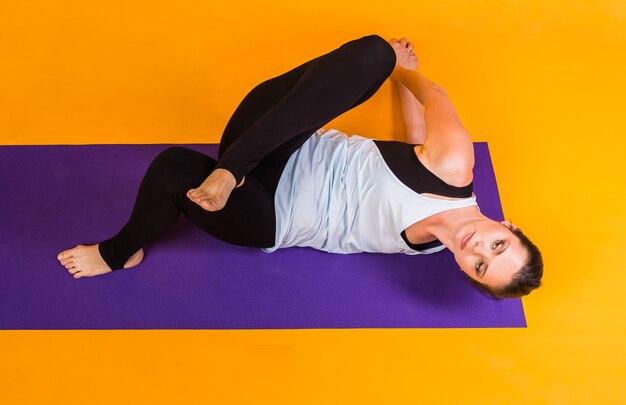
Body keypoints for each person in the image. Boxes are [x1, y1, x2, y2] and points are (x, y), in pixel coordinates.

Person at [57, 34, 543, 298]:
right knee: (373, 52)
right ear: (509, 225)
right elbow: (432, 102)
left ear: (466, 271)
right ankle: (233, 166)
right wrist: (399, 71)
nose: (478, 247)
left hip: (267, 215)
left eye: (480, 266)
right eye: (499, 245)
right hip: (275, 141)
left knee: (172, 169)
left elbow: (415, 146)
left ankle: (121, 251)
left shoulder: (434, 242)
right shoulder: (453, 165)